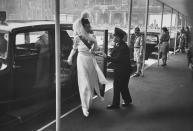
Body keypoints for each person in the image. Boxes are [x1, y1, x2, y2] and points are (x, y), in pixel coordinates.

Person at [67, 11, 107, 117]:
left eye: (89, 25)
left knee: (91, 82)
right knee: (84, 83)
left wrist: (101, 53)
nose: (90, 27)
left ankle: (89, 102)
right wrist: (70, 57)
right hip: (82, 60)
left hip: (90, 60)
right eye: (87, 25)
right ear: (83, 27)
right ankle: (84, 107)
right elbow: (74, 49)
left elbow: (95, 50)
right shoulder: (77, 38)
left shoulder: (92, 36)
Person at [105, 27, 132, 109]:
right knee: (123, 86)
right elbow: (113, 55)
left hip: (122, 70)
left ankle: (115, 104)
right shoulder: (119, 45)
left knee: (117, 86)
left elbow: (117, 59)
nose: (113, 38)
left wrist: (106, 57)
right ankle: (128, 100)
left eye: (114, 37)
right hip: (123, 70)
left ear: (118, 38)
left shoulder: (123, 47)